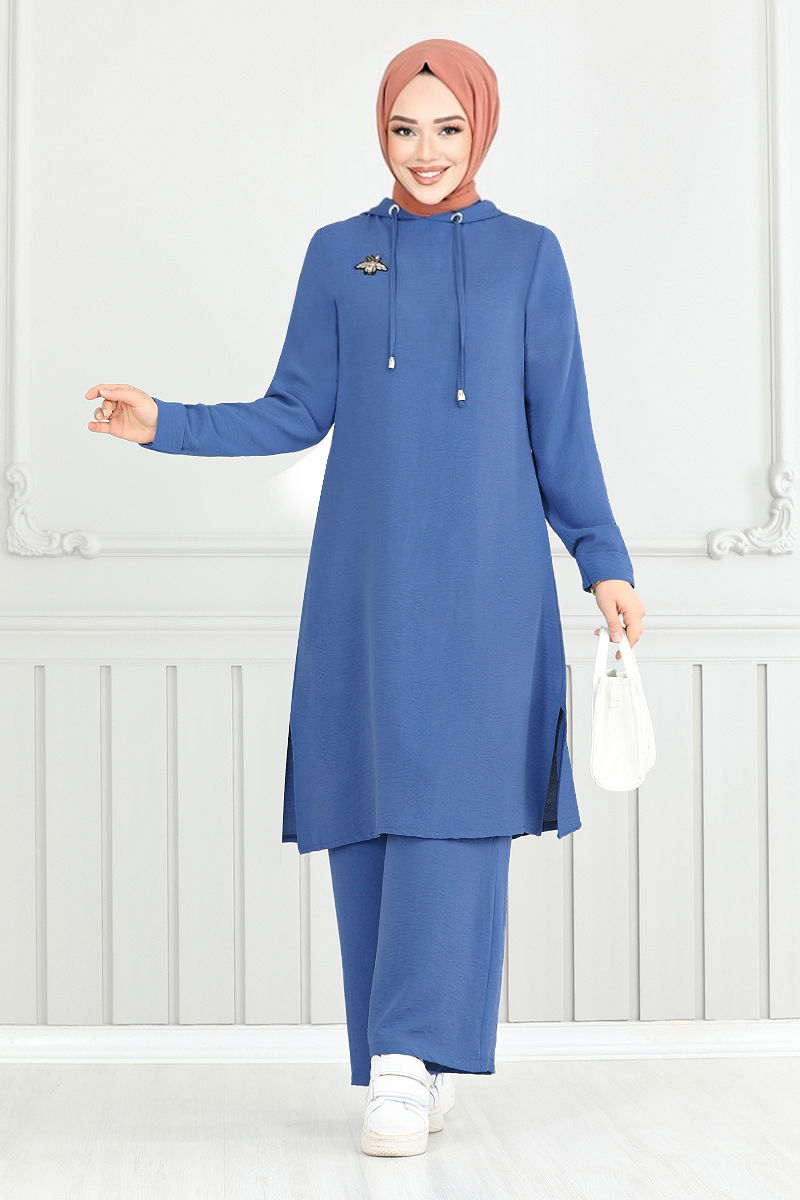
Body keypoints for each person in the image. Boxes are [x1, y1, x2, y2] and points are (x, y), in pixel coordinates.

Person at [86, 37, 646, 1158]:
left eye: (448, 128)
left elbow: (561, 430)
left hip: (487, 586)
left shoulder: (529, 257)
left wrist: (604, 560)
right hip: (365, 584)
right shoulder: (339, 254)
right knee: (370, 815)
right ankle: (409, 1058)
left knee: (456, 814)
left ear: (481, 128)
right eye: (404, 128)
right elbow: (294, 409)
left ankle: (402, 1061)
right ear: (380, 131)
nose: (425, 151)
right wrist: (166, 424)